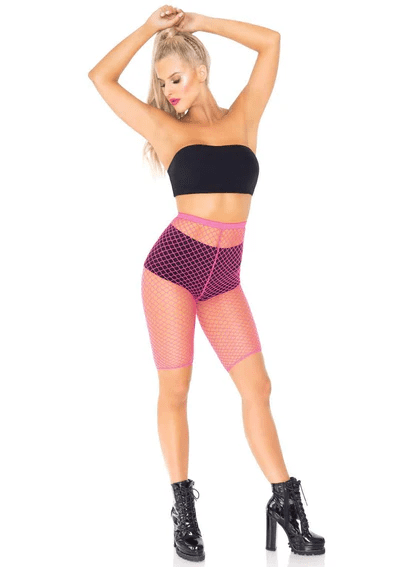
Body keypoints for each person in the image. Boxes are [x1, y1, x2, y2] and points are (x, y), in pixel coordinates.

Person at [88, 6, 325, 561]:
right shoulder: (166, 129)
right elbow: (100, 77)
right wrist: (149, 30)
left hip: (223, 279)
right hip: (172, 272)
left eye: (176, 78)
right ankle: (184, 514)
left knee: (258, 388)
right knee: (176, 391)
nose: (169, 92)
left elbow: (271, 41)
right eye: (162, 84)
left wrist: (198, 22)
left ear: (201, 70)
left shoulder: (244, 117)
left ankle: (285, 503)